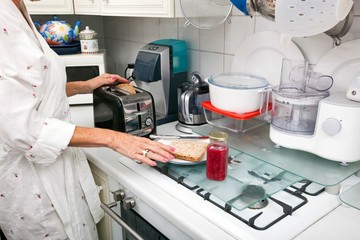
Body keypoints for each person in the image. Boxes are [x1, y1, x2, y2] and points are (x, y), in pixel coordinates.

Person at [0, 0, 175, 239]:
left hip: (57, 163)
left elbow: (37, 89)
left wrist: (87, 85)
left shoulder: (19, 10)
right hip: (30, 181)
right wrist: (114, 139)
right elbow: (23, 128)